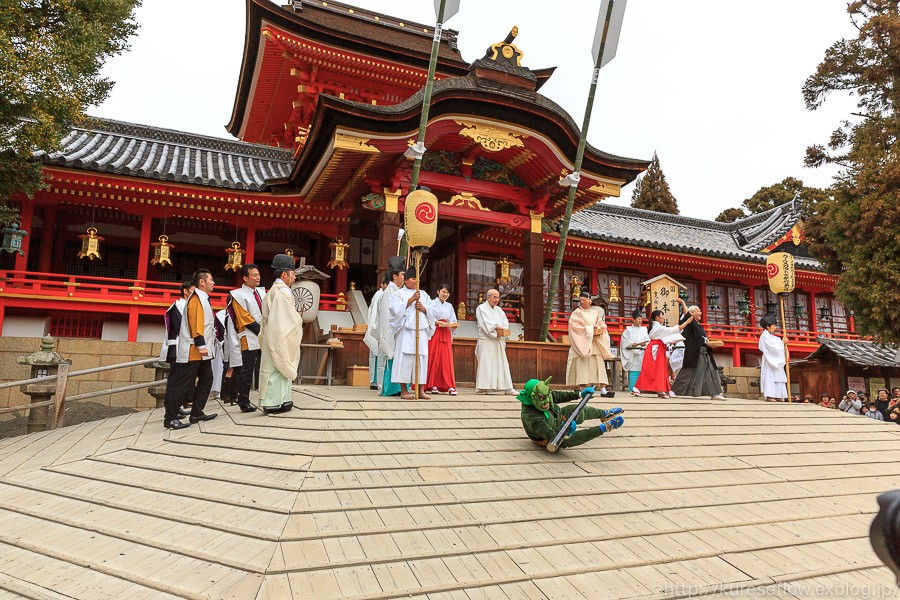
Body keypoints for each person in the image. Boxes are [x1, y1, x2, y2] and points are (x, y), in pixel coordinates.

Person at [166, 269, 218, 429]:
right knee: (183, 383)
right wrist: (201, 344)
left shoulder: (203, 298)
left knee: (207, 378)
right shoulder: (196, 298)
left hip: (202, 350)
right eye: (210, 279)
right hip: (194, 349)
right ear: (202, 282)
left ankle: (196, 412)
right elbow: (196, 323)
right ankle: (170, 418)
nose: (213, 282)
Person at [518, 377, 624, 449]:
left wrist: (579, 395)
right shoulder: (531, 417)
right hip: (547, 435)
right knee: (569, 439)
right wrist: (565, 431)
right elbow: (550, 435)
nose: (547, 402)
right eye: (541, 398)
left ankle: (604, 414)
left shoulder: (547, 394)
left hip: (557, 416)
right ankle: (604, 428)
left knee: (578, 410)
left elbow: (558, 396)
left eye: (547, 397)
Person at [258, 254, 302, 414]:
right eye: (293, 273)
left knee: (277, 369)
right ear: (284, 274)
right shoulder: (282, 292)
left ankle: (282, 399)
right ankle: (272, 403)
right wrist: (298, 322)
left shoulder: (273, 291)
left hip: (273, 333)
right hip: (278, 336)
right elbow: (286, 319)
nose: (295, 277)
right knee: (276, 369)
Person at [389, 269, 436, 400]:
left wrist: (424, 309)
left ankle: (420, 390)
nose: (415, 281)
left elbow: (433, 309)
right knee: (405, 358)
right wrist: (411, 300)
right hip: (406, 331)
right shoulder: (398, 294)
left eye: (417, 279)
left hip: (420, 330)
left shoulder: (424, 294)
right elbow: (394, 310)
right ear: (406, 280)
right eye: (413, 279)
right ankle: (404, 390)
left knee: (421, 358)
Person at [633, 309, 694, 398]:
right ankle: (637, 387)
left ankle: (660, 390)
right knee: (649, 370)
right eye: (662, 315)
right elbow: (673, 330)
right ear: (657, 317)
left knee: (660, 370)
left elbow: (668, 333)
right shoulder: (658, 327)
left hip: (659, 349)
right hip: (654, 350)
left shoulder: (658, 327)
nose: (663, 317)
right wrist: (687, 322)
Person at [672, 299, 725, 399]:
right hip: (695, 353)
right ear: (692, 313)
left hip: (705, 352)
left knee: (711, 372)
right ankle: (674, 390)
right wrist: (683, 303)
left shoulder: (699, 326)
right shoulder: (690, 323)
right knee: (688, 372)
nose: (701, 313)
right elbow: (686, 314)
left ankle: (715, 393)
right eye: (698, 311)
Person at [230, 264, 264, 413]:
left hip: (264, 335)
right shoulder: (237, 294)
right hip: (249, 336)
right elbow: (244, 318)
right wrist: (262, 331)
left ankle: (265, 398)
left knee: (265, 368)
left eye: (258, 274)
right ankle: (243, 401)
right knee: (247, 370)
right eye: (254, 275)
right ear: (245, 278)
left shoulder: (262, 293)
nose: (258, 277)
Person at [567, 291, 614, 397]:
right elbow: (575, 328)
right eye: (588, 299)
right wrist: (589, 329)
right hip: (582, 343)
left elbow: (601, 323)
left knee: (599, 366)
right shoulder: (576, 313)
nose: (590, 302)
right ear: (582, 300)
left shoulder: (595, 313)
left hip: (594, 342)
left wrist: (600, 328)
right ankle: (582, 389)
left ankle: (603, 390)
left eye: (590, 300)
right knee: (582, 367)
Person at [159, 282, 193, 422]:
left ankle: (176, 406)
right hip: (178, 348)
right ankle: (170, 410)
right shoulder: (178, 305)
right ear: (185, 291)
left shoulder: (186, 305)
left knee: (180, 380)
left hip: (184, 347)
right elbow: (182, 327)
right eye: (193, 290)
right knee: (175, 381)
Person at [475, 289, 516, 395]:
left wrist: (501, 330)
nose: (496, 299)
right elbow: (484, 324)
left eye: (498, 297)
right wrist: (495, 328)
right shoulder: (481, 308)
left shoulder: (499, 310)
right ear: (488, 297)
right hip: (487, 339)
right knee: (487, 364)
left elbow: (505, 322)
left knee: (502, 363)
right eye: (494, 297)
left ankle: (508, 388)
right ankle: (488, 388)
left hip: (498, 340)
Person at [377, 257, 406, 397]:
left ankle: (399, 387)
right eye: (402, 275)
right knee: (392, 358)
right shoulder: (389, 292)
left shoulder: (399, 291)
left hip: (399, 329)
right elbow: (391, 314)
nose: (404, 278)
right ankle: (391, 388)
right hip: (393, 329)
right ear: (395, 276)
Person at [427, 283, 459, 396]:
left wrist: (453, 324)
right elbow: (428, 318)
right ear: (438, 291)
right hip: (435, 331)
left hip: (446, 332)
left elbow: (453, 319)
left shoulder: (449, 306)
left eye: (447, 292)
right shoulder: (431, 303)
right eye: (443, 291)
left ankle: (449, 385)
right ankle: (433, 384)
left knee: (446, 359)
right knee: (434, 358)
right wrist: (437, 322)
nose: (445, 294)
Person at [363, 274, 389, 391]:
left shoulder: (386, 295)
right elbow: (373, 315)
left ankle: (378, 381)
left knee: (380, 356)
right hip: (377, 328)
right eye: (386, 284)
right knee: (376, 355)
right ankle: (375, 381)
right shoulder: (379, 295)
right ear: (382, 285)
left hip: (381, 328)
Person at [757, 315, 788, 402]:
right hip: (769, 360)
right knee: (769, 376)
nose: (775, 327)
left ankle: (778, 395)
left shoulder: (774, 338)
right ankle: (770, 395)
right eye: (773, 325)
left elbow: (778, 345)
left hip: (776, 360)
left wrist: (782, 343)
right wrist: (781, 343)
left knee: (778, 376)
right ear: (768, 326)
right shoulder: (764, 336)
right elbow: (772, 348)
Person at [619, 308, 650, 393]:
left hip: (641, 353)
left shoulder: (644, 329)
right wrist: (632, 343)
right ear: (633, 320)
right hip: (632, 353)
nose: (640, 321)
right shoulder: (628, 329)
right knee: (633, 371)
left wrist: (644, 343)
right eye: (638, 319)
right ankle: (632, 389)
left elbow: (647, 339)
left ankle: (639, 389)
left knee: (640, 370)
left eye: (641, 319)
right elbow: (624, 340)